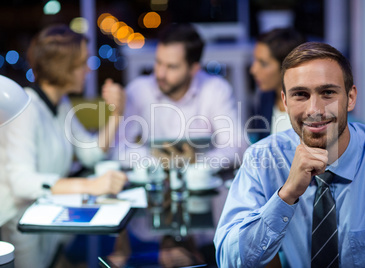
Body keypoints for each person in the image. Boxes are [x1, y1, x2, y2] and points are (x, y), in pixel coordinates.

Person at [214, 42, 365, 267]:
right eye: (301, 95)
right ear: (285, 102)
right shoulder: (263, 158)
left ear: (351, 98)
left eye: (328, 93)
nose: (314, 109)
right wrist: (286, 195)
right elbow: (230, 260)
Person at [0, 24, 127, 267]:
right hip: (20, 230)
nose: (88, 69)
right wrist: (90, 185)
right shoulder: (26, 108)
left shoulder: (61, 104)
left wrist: (117, 114)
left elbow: (90, 154)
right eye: (82, 63)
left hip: (48, 224)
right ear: (62, 67)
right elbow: (22, 182)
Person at [112, 23, 243, 170]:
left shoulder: (216, 89)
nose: (160, 73)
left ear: (194, 69)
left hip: (202, 183)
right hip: (153, 181)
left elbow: (236, 147)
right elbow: (118, 149)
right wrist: (156, 160)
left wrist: (198, 161)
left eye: (171, 67)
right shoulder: (139, 90)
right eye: (158, 62)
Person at [249, 28, 305, 142]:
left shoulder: (313, 110)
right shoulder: (266, 99)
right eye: (255, 60)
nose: (253, 70)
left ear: (288, 67)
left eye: (263, 63)